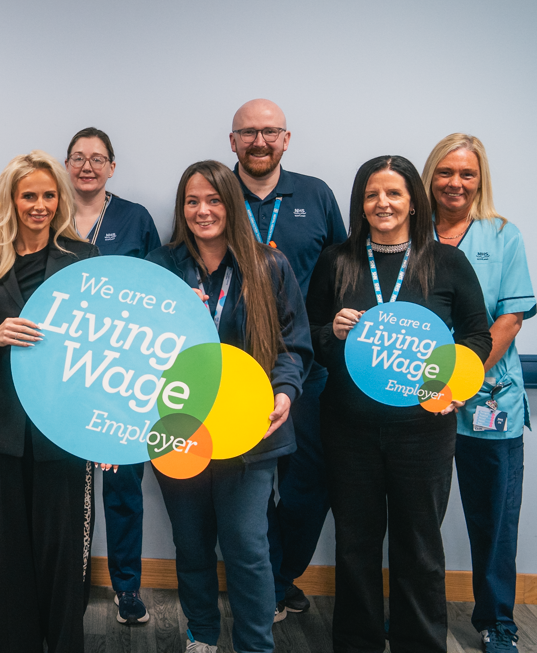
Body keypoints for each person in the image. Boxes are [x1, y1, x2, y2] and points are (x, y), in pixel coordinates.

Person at [307, 155, 492, 653]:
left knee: (420, 548)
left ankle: (421, 644)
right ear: (360, 204)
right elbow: (309, 338)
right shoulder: (337, 261)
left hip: (424, 432)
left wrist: (453, 380)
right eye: (371, 195)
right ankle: (358, 642)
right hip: (349, 429)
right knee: (356, 546)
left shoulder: (446, 261)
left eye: (393, 193)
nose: (382, 203)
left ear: (413, 201)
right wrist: (333, 332)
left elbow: (477, 334)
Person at [146, 160, 312, 653]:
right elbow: (138, 351)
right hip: (180, 427)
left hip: (252, 431)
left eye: (214, 200)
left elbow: (292, 347)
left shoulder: (269, 264)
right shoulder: (161, 267)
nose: (203, 211)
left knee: (246, 547)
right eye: (192, 201)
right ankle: (201, 637)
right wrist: (179, 324)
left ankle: (255, 645)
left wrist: (284, 393)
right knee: (192, 545)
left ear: (232, 205)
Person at [0, 151, 98, 653]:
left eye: (48, 195)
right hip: (0, 425)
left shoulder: (83, 258)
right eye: (29, 196)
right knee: (12, 559)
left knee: (65, 558)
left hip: (65, 429)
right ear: (11, 201)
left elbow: (105, 345)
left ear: (59, 199)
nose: (39, 205)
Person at [225, 99, 347, 621]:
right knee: (244, 482)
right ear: (232, 141)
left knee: (308, 482)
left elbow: (345, 269)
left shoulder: (316, 194)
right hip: (230, 372)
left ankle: (280, 574)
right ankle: (265, 582)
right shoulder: (214, 192)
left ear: (286, 139)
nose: (259, 141)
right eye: (248, 132)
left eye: (269, 132)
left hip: (307, 366)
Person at [421, 135, 534, 653]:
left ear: (480, 178)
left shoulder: (502, 235)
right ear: (429, 176)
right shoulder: (410, 234)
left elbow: (508, 321)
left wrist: (462, 380)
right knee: (416, 517)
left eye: (467, 173)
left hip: (488, 403)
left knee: (493, 521)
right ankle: (414, 611)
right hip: (420, 405)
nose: (455, 183)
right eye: (445, 172)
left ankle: (497, 622)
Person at [63, 126, 160, 625]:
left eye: (97, 158)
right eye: (78, 157)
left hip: (122, 376)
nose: (87, 166)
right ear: (66, 164)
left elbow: (156, 289)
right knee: (67, 489)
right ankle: (70, 585)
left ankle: (127, 588)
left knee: (122, 485)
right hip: (61, 372)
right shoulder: (47, 212)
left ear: (112, 167)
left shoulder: (135, 219)